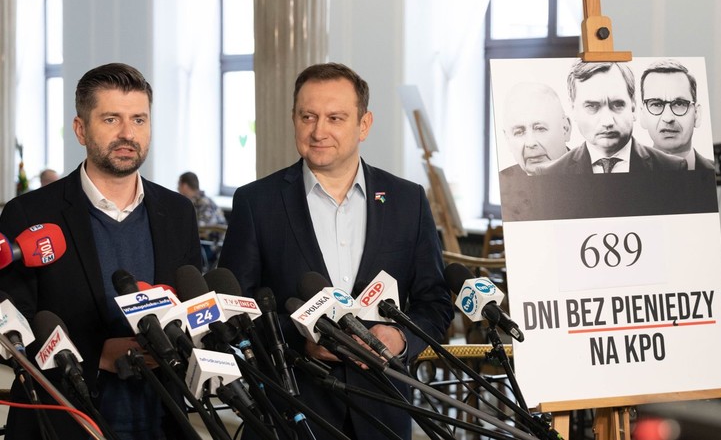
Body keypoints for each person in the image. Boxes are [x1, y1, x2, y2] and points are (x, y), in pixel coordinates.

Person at [217, 62, 453, 440]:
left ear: (364, 124)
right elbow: (232, 312)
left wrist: (400, 339)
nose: (318, 131)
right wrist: (300, 340)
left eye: (335, 118)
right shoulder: (256, 203)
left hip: (383, 411)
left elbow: (435, 302)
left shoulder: (407, 201)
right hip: (290, 412)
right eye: (307, 116)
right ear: (294, 119)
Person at [0, 63, 202, 439]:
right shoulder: (29, 214)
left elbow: (193, 305)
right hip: (65, 421)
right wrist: (99, 356)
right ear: (81, 129)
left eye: (139, 119)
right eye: (111, 119)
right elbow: (14, 333)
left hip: (161, 419)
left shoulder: (177, 212)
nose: (128, 133)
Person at [540, 60, 687, 175]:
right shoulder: (550, 174)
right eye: (592, 106)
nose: (607, 122)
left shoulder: (673, 168)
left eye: (617, 104)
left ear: (633, 107)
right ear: (573, 109)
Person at [639, 59, 715, 171]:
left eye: (679, 104)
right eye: (656, 104)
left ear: (697, 114)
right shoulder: (627, 175)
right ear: (643, 115)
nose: (668, 118)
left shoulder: (716, 173)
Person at [498, 82, 571, 177]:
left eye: (540, 129)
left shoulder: (589, 172)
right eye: (519, 132)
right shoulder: (501, 181)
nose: (530, 143)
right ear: (507, 139)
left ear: (565, 129)